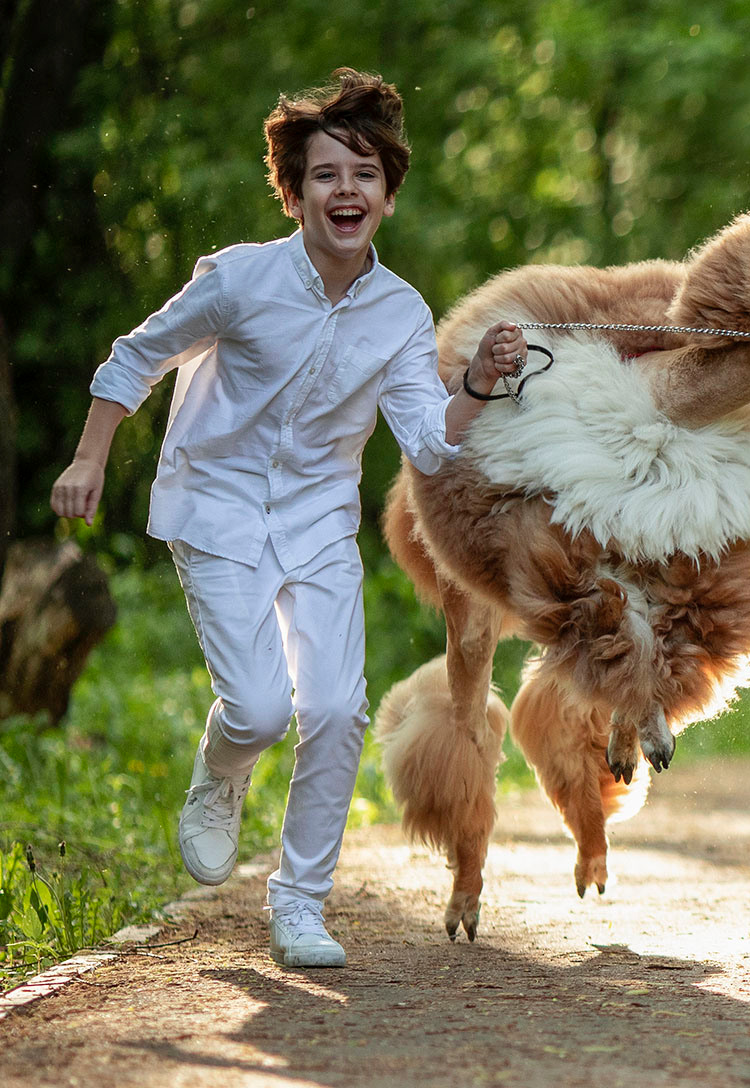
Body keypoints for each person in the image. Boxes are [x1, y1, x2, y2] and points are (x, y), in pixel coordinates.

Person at [49, 67, 527, 969]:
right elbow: (135, 357)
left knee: (339, 708)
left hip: (316, 519)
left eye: (364, 176)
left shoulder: (399, 312)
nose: (345, 191)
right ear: (295, 192)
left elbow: (429, 442)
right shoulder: (238, 281)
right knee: (262, 708)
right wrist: (89, 457)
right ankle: (221, 773)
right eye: (325, 175)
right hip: (215, 505)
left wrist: (479, 384)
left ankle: (300, 903)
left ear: (386, 198)